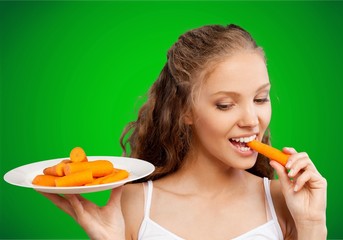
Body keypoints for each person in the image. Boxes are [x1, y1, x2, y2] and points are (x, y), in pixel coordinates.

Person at [41, 24, 327, 239]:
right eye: (226, 104)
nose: (252, 120)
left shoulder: (286, 204)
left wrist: (312, 226)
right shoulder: (133, 205)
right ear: (185, 111)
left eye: (261, 99)